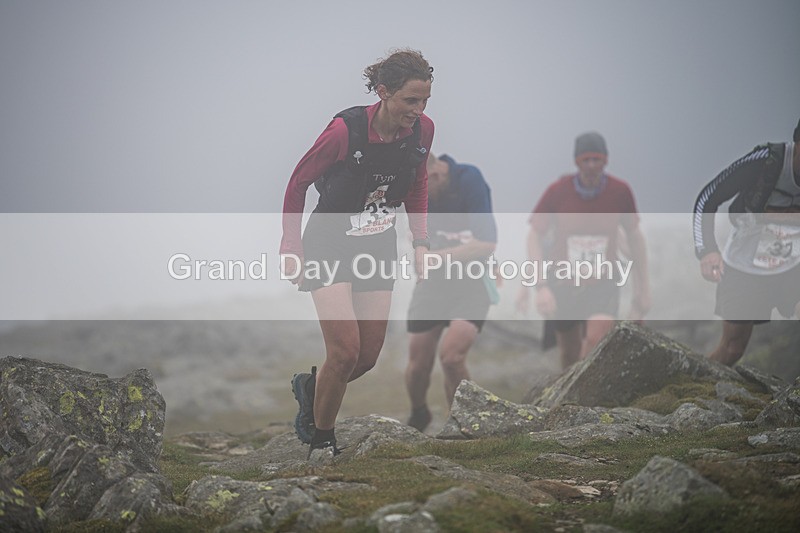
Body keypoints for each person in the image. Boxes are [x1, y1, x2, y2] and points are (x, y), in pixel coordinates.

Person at [280, 49, 435, 457]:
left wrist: (420, 242)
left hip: (378, 243)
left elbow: (418, 186)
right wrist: (291, 246)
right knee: (344, 351)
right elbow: (297, 183)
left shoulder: (422, 132)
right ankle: (322, 440)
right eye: (409, 101)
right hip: (329, 241)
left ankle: (311, 389)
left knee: (364, 358)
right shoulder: (343, 132)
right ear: (383, 92)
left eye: (424, 102)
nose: (418, 111)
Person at [515, 132, 650, 370]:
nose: (591, 166)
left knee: (595, 342)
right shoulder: (558, 191)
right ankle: (568, 400)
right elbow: (534, 237)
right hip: (564, 282)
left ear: (605, 161)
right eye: (585, 160)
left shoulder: (620, 192)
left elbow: (634, 238)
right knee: (569, 354)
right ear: (576, 162)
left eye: (596, 160)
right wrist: (541, 287)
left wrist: (643, 289)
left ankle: (583, 400)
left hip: (603, 282)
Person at [693, 118, 800, 366]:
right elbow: (707, 199)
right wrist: (707, 250)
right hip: (745, 265)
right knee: (732, 349)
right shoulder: (766, 161)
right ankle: (692, 387)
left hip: (793, 263)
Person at [404, 153, 497, 432]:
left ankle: (463, 426)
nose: (418, 196)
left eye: (421, 189)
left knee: (452, 358)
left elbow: (486, 244)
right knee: (419, 363)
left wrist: (438, 257)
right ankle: (419, 412)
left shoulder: (469, 180)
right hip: (433, 285)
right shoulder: (417, 188)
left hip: (472, 281)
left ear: (435, 175)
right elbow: (413, 236)